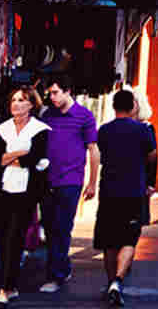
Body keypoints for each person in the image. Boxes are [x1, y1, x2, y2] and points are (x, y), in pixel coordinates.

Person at [0, 85, 50, 305]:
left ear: (31, 104)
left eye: (21, 100)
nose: (16, 104)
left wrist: (9, 157)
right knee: (3, 238)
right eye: (13, 100)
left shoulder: (40, 130)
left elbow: (36, 158)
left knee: (15, 237)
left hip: (26, 193)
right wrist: (21, 154)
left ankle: (7, 287)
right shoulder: (0, 129)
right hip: (2, 191)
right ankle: (8, 282)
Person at [94, 90, 157, 306]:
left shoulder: (103, 130)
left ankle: (111, 281)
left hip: (109, 191)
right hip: (133, 191)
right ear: (132, 107)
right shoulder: (142, 130)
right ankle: (118, 281)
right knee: (129, 238)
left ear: (113, 107)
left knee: (109, 241)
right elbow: (152, 155)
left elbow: (100, 153)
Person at [40, 74, 99, 294]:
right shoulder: (48, 115)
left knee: (62, 228)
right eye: (50, 94)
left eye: (55, 93)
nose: (52, 97)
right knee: (49, 228)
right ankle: (62, 268)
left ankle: (55, 277)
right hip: (47, 179)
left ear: (67, 91)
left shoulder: (84, 116)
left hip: (71, 180)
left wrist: (92, 183)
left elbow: (93, 150)